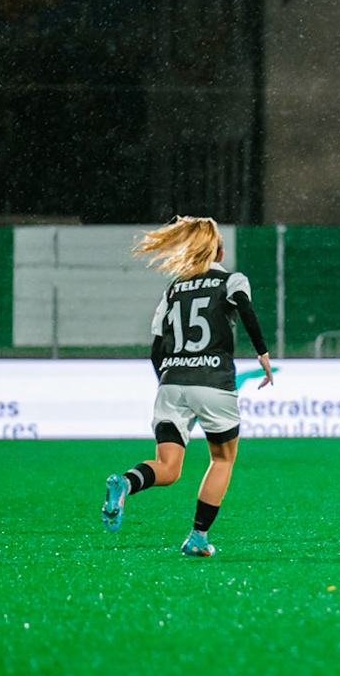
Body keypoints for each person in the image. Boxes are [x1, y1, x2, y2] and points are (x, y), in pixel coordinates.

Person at [101, 216, 274, 557]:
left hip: (171, 383)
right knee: (222, 459)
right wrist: (263, 354)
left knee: (168, 467)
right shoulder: (232, 279)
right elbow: (246, 309)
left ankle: (126, 483)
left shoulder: (173, 288)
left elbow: (156, 349)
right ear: (219, 251)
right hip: (213, 382)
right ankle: (198, 537)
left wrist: (171, 382)